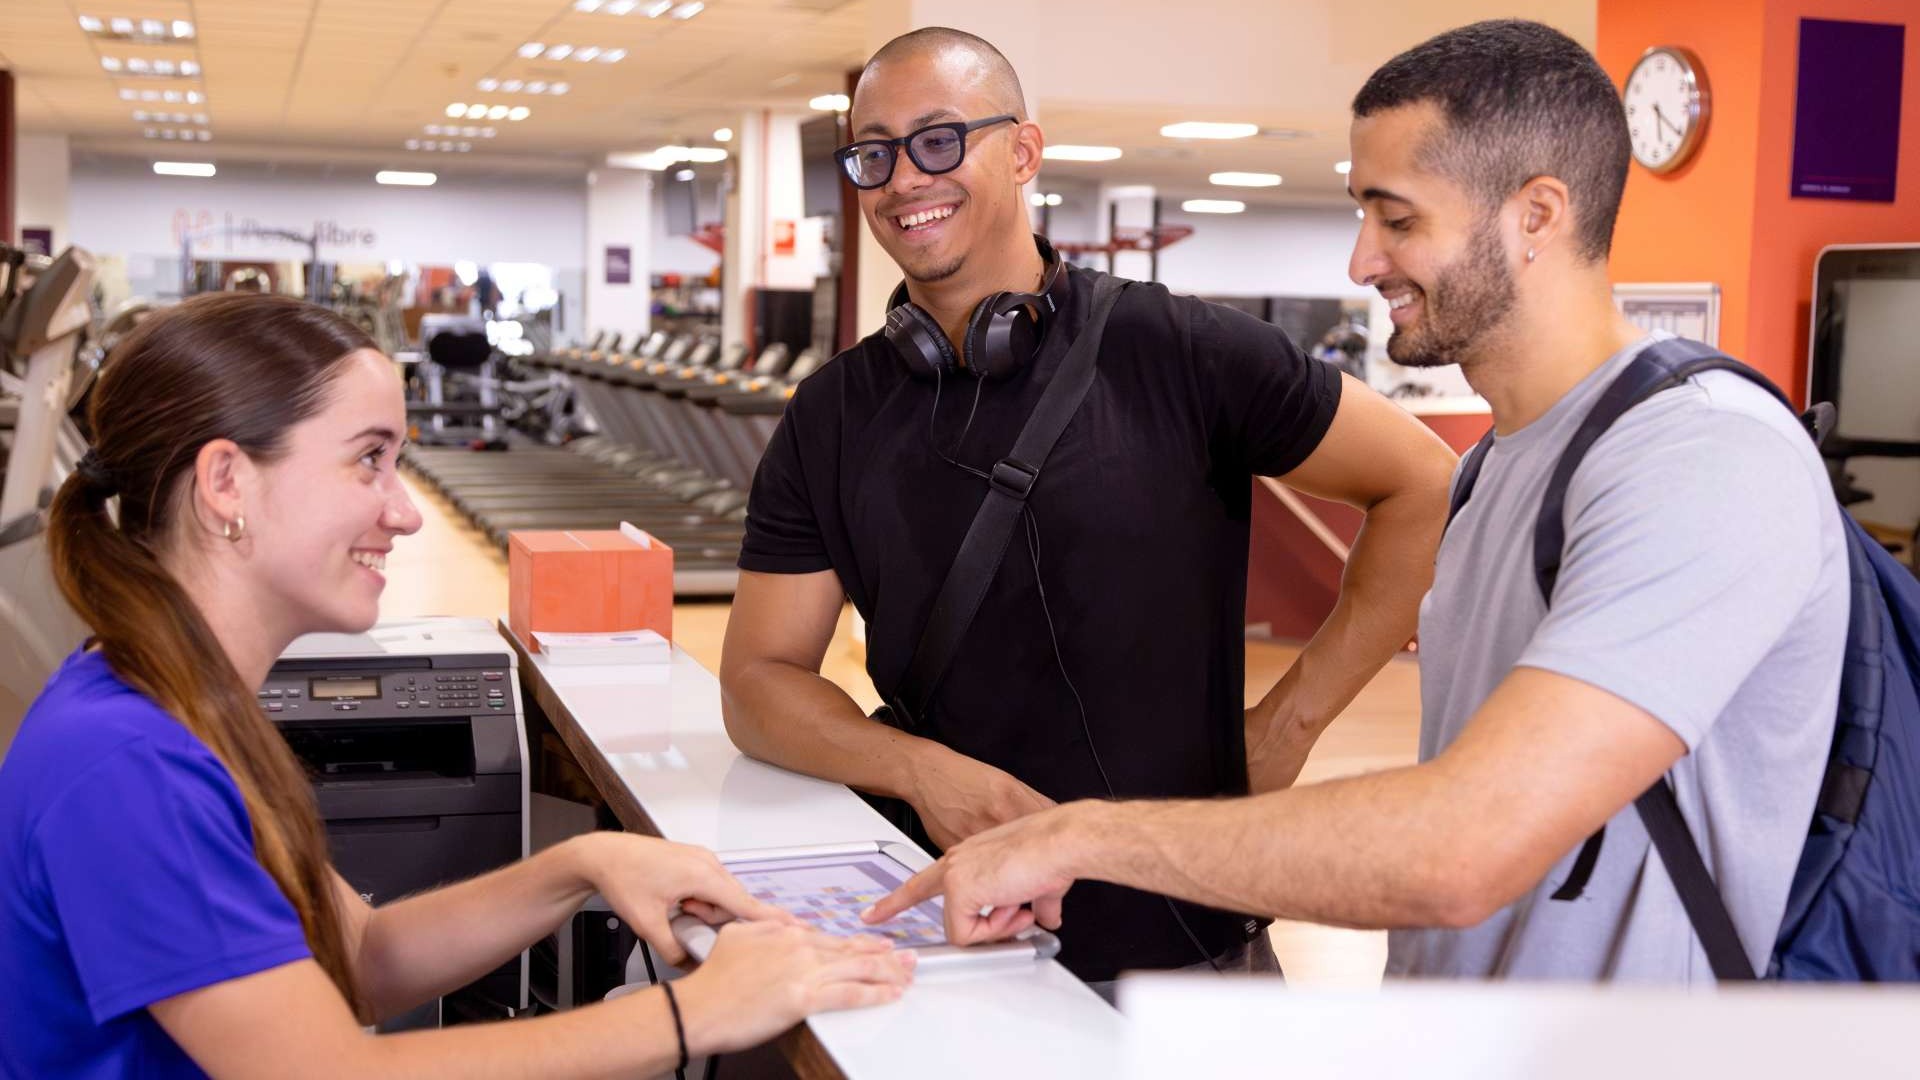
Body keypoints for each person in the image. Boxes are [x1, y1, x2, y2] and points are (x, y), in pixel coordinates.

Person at [865, 19, 1847, 984]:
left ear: (1538, 215)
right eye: (1362, 214)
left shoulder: (1706, 460)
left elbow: (1462, 847)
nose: (1360, 262)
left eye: (1400, 219)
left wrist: (1081, 836)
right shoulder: (1507, 466)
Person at [0, 292, 913, 1078]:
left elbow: (361, 954)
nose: (402, 511)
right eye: (368, 459)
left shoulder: (187, 707)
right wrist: (693, 1016)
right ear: (227, 482)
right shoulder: (126, 764)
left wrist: (579, 866)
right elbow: (326, 1071)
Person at [719, 26, 1459, 992]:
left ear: (1023, 152)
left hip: (1187, 940)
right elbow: (758, 680)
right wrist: (918, 771)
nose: (904, 178)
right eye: (875, 152)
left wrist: (1289, 723)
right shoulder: (831, 414)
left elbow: (1424, 485)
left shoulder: (1179, 349)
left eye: (940, 140)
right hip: (956, 931)